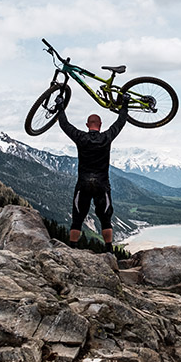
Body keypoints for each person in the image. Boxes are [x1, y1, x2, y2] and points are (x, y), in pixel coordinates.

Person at [55, 94, 129, 252]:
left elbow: (64, 124)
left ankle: (72, 250)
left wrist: (60, 106)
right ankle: (109, 251)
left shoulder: (80, 137)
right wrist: (125, 105)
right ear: (100, 125)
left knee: (77, 218)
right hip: (102, 184)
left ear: (87, 124)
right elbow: (120, 123)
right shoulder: (106, 137)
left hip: (83, 184)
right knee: (105, 218)